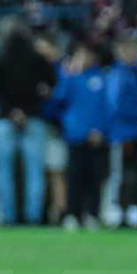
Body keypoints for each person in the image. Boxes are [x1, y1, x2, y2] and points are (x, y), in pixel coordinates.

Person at [0, 18, 56, 225]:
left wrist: (11, 111)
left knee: (4, 170)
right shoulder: (37, 58)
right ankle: (33, 216)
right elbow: (51, 83)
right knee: (35, 171)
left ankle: (9, 216)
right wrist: (29, 108)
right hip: (33, 118)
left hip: (5, 119)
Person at [50, 40, 110, 230]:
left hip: (96, 138)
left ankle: (92, 214)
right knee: (74, 179)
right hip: (75, 138)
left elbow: (107, 108)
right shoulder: (70, 79)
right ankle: (72, 215)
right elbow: (58, 101)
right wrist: (67, 75)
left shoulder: (102, 78)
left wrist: (100, 130)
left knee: (94, 179)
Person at [107, 34, 137, 231]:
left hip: (134, 132)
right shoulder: (119, 75)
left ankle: (133, 212)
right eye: (132, 50)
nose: (136, 54)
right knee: (122, 175)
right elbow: (116, 105)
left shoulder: (134, 74)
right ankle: (118, 212)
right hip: (122, 134)